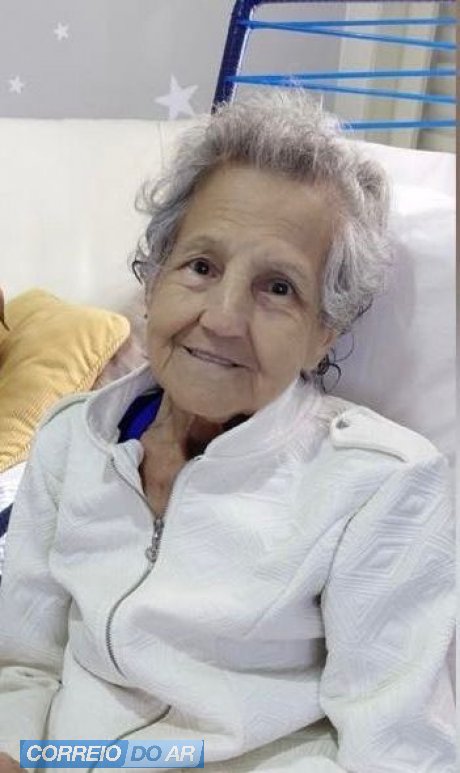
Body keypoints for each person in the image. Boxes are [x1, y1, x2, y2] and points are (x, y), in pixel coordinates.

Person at [0, 91, 455, 773]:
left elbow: (397, 752)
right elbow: (23, 661)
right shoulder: (72, 436)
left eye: (279, 288)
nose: (221, 318)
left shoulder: (382, 487)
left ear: (323, 333)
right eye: (202, 266)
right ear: (154, 282)